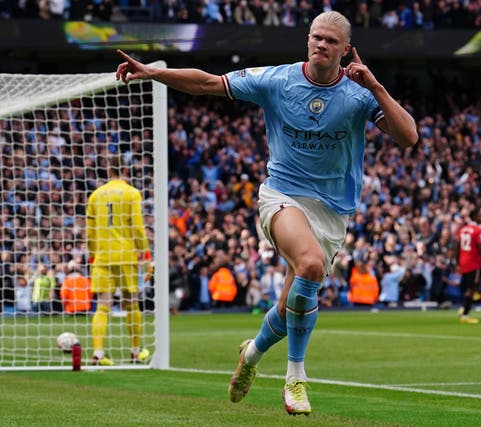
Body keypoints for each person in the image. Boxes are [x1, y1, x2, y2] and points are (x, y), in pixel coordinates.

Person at [115, 10, 418, 415]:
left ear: (346, 49)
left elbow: (408, 137)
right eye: (315, 37)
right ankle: (295, 379)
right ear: (307, 40)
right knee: (309, 266)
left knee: (289, 303)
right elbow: (208, 83)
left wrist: (377, 87)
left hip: (331, 210)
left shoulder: (359, 94)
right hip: (282, 195)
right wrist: (152, 72)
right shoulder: (277, 80)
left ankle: (252, 354)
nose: (320, 45)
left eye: (329, 41)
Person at [87, 154, 153, 366]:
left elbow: (90, 232)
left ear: (109, 170)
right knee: (131, 303)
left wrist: (92, 254)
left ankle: (98, 353)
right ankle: (135, 351)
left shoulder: (96, 196)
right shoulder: (132, 193)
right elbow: (137, 226)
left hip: (103, 257)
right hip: (126, 256)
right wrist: (145, 253)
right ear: (125, 171)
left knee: (103, 306)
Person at [453, 207, 481, 324]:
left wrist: (457, 262)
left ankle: (464, 307)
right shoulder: (477, 230)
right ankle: (465, 315)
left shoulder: (463, 229)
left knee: (469, 287)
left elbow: (457, 247)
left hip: (463, 261)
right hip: (473, 262)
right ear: (475, 217)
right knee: (471, 289)